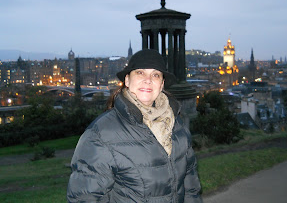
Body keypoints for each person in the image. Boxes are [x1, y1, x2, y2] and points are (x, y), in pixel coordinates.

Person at [67, 49, 203, 203]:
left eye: (155, 75)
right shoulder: (101, 133)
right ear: (127, 80)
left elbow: (190, 187)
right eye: (140, 73)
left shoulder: (177, 126)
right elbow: (85, 198)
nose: (148, 80)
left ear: (162, 84)